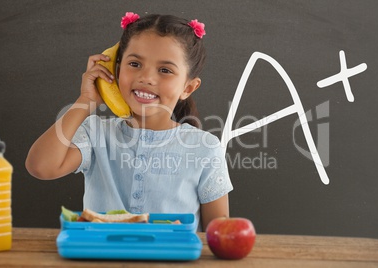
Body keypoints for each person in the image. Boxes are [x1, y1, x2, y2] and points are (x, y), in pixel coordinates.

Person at [26, 12, 233, 231]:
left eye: (165, 70)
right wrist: (85, 101)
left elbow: (219, 232)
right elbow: (41, 167)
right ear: (115, 71)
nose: (146, 78)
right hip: (99, 259)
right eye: (134, 64)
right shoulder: (95, 133)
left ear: (188, 88)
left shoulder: (206, 148)